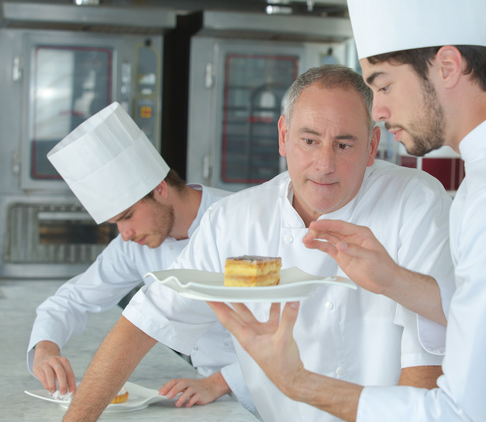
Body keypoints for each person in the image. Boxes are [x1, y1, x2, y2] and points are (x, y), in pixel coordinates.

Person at [208, 0, 486, 421]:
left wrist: (296, 383)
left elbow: (460, 415)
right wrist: (393, 280)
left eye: (383, 86)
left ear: (447, 66)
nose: (379, 112)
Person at [61, 64, 455, 422]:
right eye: (309, 140)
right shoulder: (235, 220)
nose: (324, 165)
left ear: (372, 147)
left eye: (344, 144)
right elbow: (147, 320)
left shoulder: (414, 203)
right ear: (284, 136)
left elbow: (425, 357)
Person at [28, 102, 247, 409]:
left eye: (127, 215)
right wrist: (45, 347)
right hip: (204, 394)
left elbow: (304, 325)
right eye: (115, 222)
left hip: (275, 389)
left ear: (159, 189)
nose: (125, 233)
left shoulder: (244, 220)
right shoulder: (134, 244)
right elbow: (73, 299)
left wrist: (221, 383)